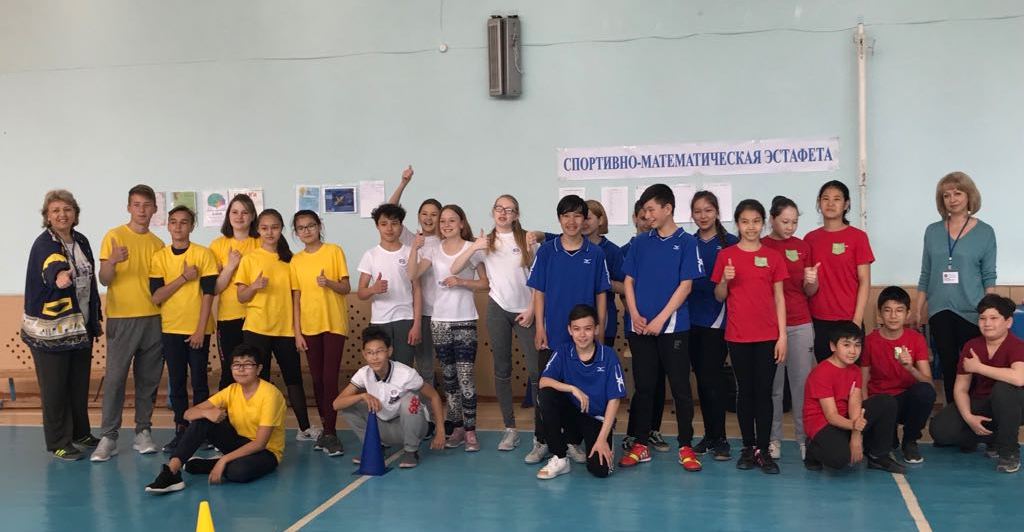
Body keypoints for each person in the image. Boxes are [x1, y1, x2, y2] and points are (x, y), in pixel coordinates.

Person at [620, 184, 702, 472]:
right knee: (644, 388)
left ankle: (685, 446)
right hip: (640, 329)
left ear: (668, 208)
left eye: (652, 209)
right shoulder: (640, 242)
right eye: (644, 211)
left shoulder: (687, 242)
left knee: (680, 389)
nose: (647, 215)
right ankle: (640, 444)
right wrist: (634, 314)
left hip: (674, 329)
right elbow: (628, 281)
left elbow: (686, 286)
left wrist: (661, 319)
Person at [526, 194, 610, 464]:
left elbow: (601, 294)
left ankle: (573, 441)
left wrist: (600, 329)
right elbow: (539, 292)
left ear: (584, 219)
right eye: (566, 216)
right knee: (545, 391)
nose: (572, 221)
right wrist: (540, 327)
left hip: (584, 337)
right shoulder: (547, 251)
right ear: (559, 219)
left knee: (579, 390)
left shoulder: (595, 254)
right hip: (553, 334)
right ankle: (541, 440)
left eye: (577, 216)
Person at [452, 194, 540, 452]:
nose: (503, 213)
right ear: (493, 212)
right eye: (499, 208)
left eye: (509, 210)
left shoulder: (527, 240)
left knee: (536, 370)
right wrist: (473, 247)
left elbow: (539, 278)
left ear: (516, 215)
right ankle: (510, 429)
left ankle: (541, 431)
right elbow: (455, 268)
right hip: (497, 309)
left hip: (526, 311)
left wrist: (532, 309)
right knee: (502, 369)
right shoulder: (485, 243)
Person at [22, 190, 102, 460]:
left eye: (67, 209)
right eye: (55, 210)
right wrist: (59, 277)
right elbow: (52, 265)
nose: (62, 214)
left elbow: (89, 281)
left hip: (80, 325)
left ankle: (80, 432)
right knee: (55, 389)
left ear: (75, 213)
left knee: (78, 385)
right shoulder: (44, 244)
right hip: (51, 330)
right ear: (47, 216)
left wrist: (94, 319)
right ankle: (58, 441)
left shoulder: (81, 241)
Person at [145, 344, 286, 494]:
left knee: (238, 472)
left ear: (258, 369)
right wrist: (207, 413)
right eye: (236, 365)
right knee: (203, 419)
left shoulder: (270, 395)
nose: (241, 369)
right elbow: (188, 414)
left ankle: (215, 463)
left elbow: (260, 443)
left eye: (247, 364)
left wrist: (223, 460)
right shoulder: (231, 390)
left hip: (266, 452)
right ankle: (171, 472)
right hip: (238, 442)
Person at [712, 199, 787, 474]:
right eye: (745, 221)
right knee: (745, 392)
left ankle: (763, 450)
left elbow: (779, 298)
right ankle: (747, 447)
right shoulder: (726, 256)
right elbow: (719, 296)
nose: (751, 227)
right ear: (737, 224)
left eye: (756, 221)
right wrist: (725, 280)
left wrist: (782, 336)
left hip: (768, 336)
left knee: (764, 393)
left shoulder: (773, 257)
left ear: (763, 223)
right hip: (738, 336)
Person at [92, 184, 165, 461]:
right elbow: (104, 279)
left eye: (147, 205)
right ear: (128, 207)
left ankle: (143, 431)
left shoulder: (158, 244)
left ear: (154, 209)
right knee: (115, 379)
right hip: (122, 319)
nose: (142, 210)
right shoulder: (114, 236)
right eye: (137, 205)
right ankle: (109, 437)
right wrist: (111, 261)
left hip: (154, 318)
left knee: (148, 380)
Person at [409, 204, 489, 451]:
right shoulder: (433, 250)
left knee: (466, 377)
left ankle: (471, 431)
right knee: (449, 379)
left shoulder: (472, 248)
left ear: (462, 223)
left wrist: (462, 282)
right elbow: (412, 274)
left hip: (464, 319)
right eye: (442, 221)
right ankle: (456, 428)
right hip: (439, 322)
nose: (446, 224)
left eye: (452, 220)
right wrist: (414, 248)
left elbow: (485, 283)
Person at [913, 171, 997, 404]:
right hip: (939, 309)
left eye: (958, 193)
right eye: (946, 195)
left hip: (972, 310)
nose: (952, 199)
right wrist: (918, 309)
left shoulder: (985, 232)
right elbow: (926, 273)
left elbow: (989, 276)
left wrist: (989, 312)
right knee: (948, 366)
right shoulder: (932, 231)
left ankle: (975, 411)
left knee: (973, 366)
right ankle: (953, 412)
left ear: (969, 196)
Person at [235, 209, 316, 441]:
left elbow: (297, 297)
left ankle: (304, 429)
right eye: (264, 228)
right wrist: (254, 286)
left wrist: (298, 330)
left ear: (281, 229)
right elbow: (241, 297)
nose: (270, 232)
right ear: (258, 230)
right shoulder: (250, 259)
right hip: (256, 329)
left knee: (294, 379)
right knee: (259, 381)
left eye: (274, 227)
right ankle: (256, 432)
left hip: (285, 330)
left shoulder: (291, 260)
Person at [149, 206, 218, 453]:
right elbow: (157, 297)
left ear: (192, 226)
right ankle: (181, 428)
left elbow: (209, 294)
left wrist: (200, 329)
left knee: (199, 381)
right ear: (168, 225)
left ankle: (201, 430)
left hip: (198, 329)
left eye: (184, 222)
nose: (178, 226)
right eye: (174, 222)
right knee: (177, 381)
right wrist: (184, 278)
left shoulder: (204, 254)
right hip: (171, 328)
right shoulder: (159, 257)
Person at [930, 294, 1024, 473]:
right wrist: (969, 418)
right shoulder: (971, 346)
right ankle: (991, 437)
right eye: (982, 318)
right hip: (983, 403)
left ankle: (1009, 452)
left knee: (1003, 388)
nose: (987, 323)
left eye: (994, 318)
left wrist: (979, 367)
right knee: (940, 430)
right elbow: (961, 388)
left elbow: (1019, 378)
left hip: (1015, 405)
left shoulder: (1017, 345)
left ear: (1008, 322)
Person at [334, 326, 446, 469]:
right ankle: (376, 448)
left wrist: (440, 432)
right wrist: (362, 396)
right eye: (370, 353)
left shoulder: (406, 373)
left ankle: (411, 451)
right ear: (364, 354)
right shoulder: (363, 373)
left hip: (412, 428)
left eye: (379, 351)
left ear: (389, 351)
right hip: (385, 429)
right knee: (349, 406)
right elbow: (336, 404)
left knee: (409, 400)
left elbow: (434, 396)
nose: (374, 357)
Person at [536, 305, 626, 479]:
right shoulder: (563, 351)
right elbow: (543, 381)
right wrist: (572, 388)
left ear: (596, 329)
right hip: (572, 414)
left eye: (588, 329)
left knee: (600, 471)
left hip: (595, 418)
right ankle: (560, 457)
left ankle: (594, 439)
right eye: (577, 329)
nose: (582, 334)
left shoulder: (608, 356)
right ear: (570, 330)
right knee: (546, 395)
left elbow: (615, 400)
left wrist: (602, 439)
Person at [803, 321, 905, 473]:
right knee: (840, 459)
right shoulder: (821, 373)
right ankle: (812, 448)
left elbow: (854, 404)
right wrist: (854, 426)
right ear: (833, 346)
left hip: (846, 419)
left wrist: (856, 436)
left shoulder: (855, 370)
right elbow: (831, 416)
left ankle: (878, 456)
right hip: (823, 423)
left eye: (857, 345)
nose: (853, 351)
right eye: (846, 345)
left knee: (886, 402)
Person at [290, 210, 351, 457]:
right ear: (296, 232)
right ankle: (326, 427)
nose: (307, 231)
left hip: (334, 324)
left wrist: (329, 283)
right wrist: (297, 332)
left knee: (329, 378)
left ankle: (331, 432)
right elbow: (296, 299)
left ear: (319, 226)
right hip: (309, 327)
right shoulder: (295, 261)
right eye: (301, 228)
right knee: (316, 379)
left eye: (311, 225)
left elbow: (345, 287)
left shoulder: (334, 251)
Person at [760, 195, 816, 460]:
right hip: (769, 328)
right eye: (785, 221)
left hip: (800, 323)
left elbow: (810, 291)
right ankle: (773, 439)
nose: (790, 227)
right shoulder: (761, 246)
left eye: (794, 222)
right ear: (772, 219)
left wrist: (811, 280)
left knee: (801, 387)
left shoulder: (802, 247)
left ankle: (805, 440)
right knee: (774, 387)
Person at [687, 190, 738, 460]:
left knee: (713, 379)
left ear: (717, 212)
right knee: (702, 381)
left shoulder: (730, 243)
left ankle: (721, 439)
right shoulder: (688, 243)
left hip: (717, 321)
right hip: (689, 320)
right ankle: (709, 435)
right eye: (698, 211)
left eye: (708, 210)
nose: (703, 216)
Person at [860, 286, 936, 464]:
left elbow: (929, 383)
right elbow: (862, 382)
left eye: (899, 310)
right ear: (880, 314)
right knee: (879, 448)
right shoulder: (870, 341)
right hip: (881, 402)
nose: (893, 316)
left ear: (907, 314)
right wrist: (864, 412)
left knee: (925, 391)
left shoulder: (916, 339)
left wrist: (910, 368)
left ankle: (910, 441)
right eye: (888, 310)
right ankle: (888, 432)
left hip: (904, 402)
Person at [805, 180, 874, 362]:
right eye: (825, 198)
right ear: (819, 203)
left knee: (851, 374)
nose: (830, 203)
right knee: (824, 372)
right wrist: (810, 281)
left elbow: (865, 281)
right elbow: (809, 290)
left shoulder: (858, 237)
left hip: (849, 319)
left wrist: (857, 320)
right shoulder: (810, 239)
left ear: (846, 204)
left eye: (837, 199)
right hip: (819, 319)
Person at [621, 200, 669, 453]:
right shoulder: (628, 249)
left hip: (662, 324)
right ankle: (634, 433)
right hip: (637, 324)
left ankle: (653, 430)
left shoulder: (664, 246)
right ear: (635, 219)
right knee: (643, 382)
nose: (647, 220)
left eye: (651, 214)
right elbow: (619, 284)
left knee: (659, 379)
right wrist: (634, 310)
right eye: (642, 216)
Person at [356, 203, 423, 372]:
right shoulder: (370, 255)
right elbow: (361, 293)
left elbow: (417, 290)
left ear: (401, 225)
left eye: (394, 223)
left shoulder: (410, 252)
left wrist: (417, 324)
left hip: (405, 319)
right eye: (384, 224)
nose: (389, 228)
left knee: (404, 370)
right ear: (377, 226)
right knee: (381, 369)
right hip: (380, 321)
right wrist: (373, 289)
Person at [390, 165, 440, 385]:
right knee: (424, 366)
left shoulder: (447, 241)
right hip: (421, 313)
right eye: (424, 214)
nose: (428, 218)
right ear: (418, 216)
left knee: (449, 365)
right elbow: (391, 211)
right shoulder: (413, 239)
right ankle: (426, 405)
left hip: (446, 312)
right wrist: (403, 182)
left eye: (434, 214)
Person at [209, 194, 259, 390]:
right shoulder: (218, 245)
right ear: (228, 215)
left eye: (245, 212)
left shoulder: (261, 242)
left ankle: (256, 409)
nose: (239, 217)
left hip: (258, 317)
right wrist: (230, 267)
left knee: (256, 371)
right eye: (235, 212)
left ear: (253, 216)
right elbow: (215, 288)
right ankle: (228, 410)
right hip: (228, 316)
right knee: (230, 372)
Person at [583, 199, 625, 347]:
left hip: (604, 323)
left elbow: (626, 287)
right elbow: (545, 236)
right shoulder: (570, 248)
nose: (583, 222)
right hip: (577, 323)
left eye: (588, 218)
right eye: (581, 218)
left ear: (600, 220)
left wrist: (603, 281)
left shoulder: (613, 251)